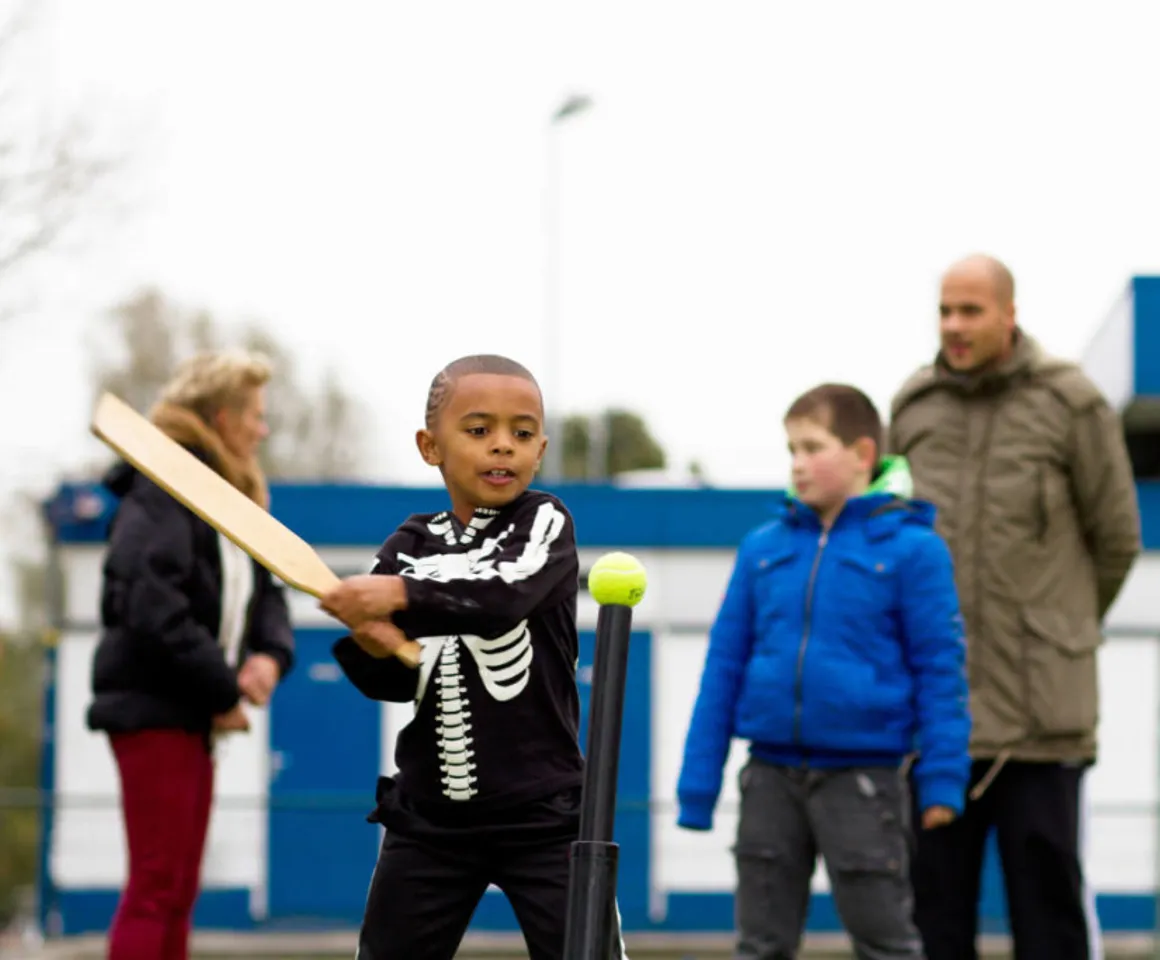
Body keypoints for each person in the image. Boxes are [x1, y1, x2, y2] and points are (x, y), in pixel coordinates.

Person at [318, 354, 626, 960]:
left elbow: (504, 596)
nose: (503, 445)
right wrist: (372, 644)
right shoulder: (408, 544)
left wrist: (400, 594)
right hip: (430, 820)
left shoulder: (544, 521)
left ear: (541, 449)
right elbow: (394, 681)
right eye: (479, 430)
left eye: (523, 432)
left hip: (544, 815)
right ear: (430, 446)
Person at [889, 254, 1142, 960]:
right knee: (931, 924)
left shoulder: (1072, 403)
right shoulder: (912, 408)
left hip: (1042, 725)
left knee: (1049, 923)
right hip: (936, 722)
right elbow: (890, 541)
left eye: (970, 311)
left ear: (1009, 314)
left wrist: (1060, 628)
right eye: (945, 310)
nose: (954, 325)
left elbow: (1117, 540)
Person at [676, 383, 971, 960]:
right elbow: (723, 667)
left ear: (862, 454)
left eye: (812, 447)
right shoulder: (761, 548)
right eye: (792, 449)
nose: (797, 464)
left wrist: (943, 778)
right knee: (759, 945)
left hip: (864, 779)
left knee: (886, 945)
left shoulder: (916, 551)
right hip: (768, 777)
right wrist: (698, 785)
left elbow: (941, 671)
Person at [87, 350, 296, 960]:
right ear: (222, 417)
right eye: (254, 416)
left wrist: (271, 656)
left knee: (177, 890)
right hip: (154, 710)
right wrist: (224, 690)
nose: (262, 429)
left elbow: (265, 589)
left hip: (192, 713)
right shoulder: (162, 491)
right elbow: (152, 606)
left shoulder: (230, 500)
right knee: (157, 885)